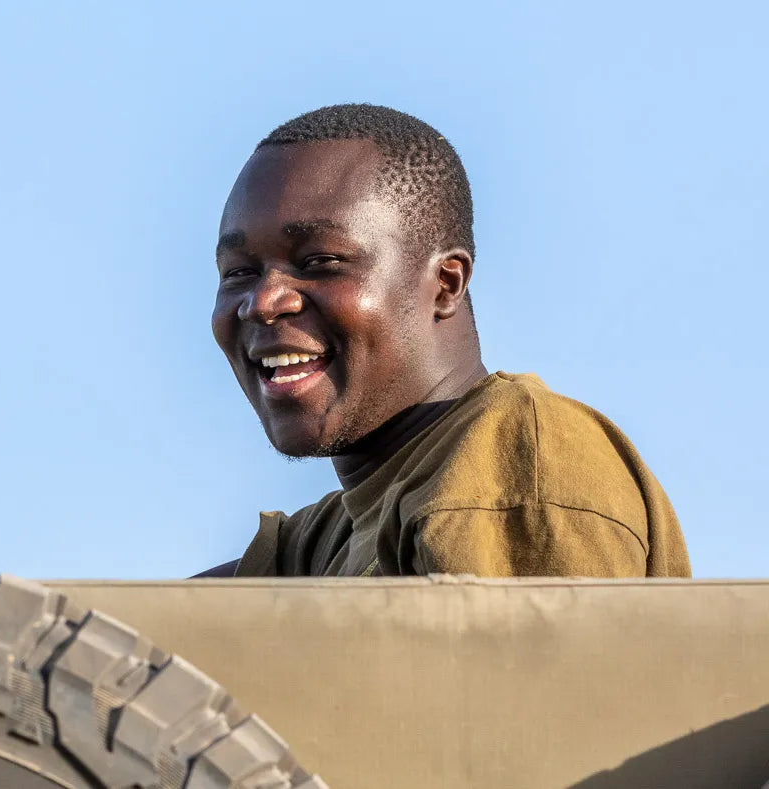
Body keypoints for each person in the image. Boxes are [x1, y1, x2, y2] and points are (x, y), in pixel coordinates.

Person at [199, 104, 689, 578]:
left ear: (446, 284)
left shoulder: (510, 461)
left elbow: (518, 662)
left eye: (320, 262)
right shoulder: (331, 537)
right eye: (239, 272)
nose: (262, 302)